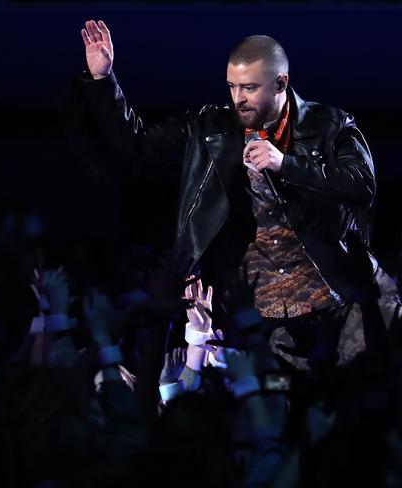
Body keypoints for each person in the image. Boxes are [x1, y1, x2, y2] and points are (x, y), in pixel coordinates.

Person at [66, 20, 374, 321]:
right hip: (249, 309)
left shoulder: (330, 124)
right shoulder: (209, 127)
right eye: (232, 87)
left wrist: (286, 163)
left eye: (250, 88)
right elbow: (136, 143)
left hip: (330, 298)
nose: (238, 99)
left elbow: (362, 183)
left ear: (281, 83)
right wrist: (103, 79)